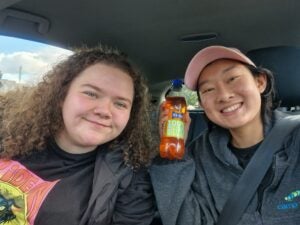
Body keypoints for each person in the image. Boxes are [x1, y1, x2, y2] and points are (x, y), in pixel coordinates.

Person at [0, 45, 156, 225]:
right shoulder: (9, 131)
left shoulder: (130, 184)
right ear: (61, 96)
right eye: (91, 93)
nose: (105, 111)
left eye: (120, 104)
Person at [150, 45, 300, 225]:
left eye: (232, 79)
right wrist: (173, 156)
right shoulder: (198, 156)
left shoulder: (295, 138)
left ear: (260, 82)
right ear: (202, 103)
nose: (223, 95)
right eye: (208, 90)